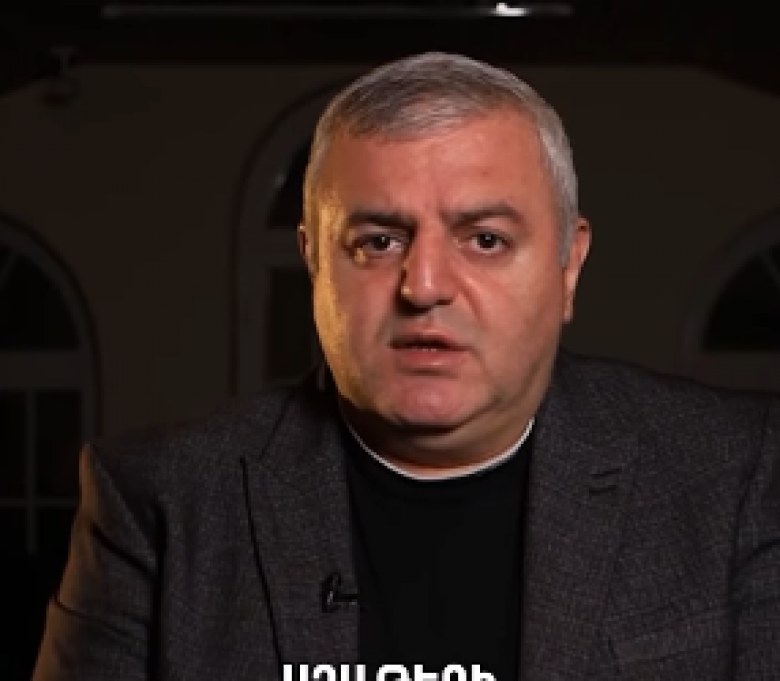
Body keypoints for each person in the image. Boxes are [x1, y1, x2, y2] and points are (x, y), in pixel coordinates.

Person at [33, 52, 779, 681]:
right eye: (378, 242)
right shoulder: (157, 500)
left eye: (484, 239)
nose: (423, 287)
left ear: (568, 266)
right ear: (313, 261)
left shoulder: (736, 474)